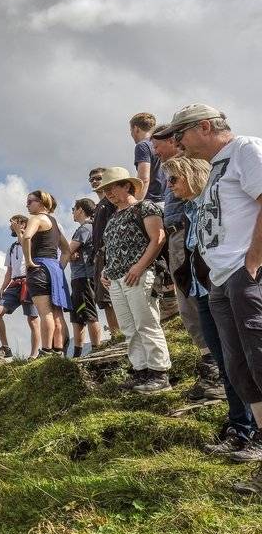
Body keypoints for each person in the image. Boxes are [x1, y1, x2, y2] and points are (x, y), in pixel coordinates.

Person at [162, 104, 262, 493]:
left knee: (259, 359)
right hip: (220, 279)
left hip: (244, 272)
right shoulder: (217, 167)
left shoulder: (246, 150)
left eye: (180, 134)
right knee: (240, 370)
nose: (177, 143)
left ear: (205, 126)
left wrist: (253, 261)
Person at [152, 126, 223, 400]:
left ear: (172, 141)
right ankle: (211, 364)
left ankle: (217, 368)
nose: (155, 152)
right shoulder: (173, 171)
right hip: (176, 238)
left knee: (199, 301)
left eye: (158, 146)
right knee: (188, 304)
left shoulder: (194, 166)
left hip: (188, 234)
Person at [98, 167, 171, 393]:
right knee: (129, 328)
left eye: (112, 187)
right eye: (105, 189)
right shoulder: (112, 219)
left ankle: (159, 374)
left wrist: (140, 266)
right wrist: (105, 272)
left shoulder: (144, 207)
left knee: (146, 323)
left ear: (127, 185)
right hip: (116, 278)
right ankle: (141, 371)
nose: (109, 193)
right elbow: (110, 250)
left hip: (139, 274)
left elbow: (158, 238)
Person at [21, 190, 72, 356]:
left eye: (30, 201)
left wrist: (28, 261)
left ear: (41, 203)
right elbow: (66, 250)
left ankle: (46, 350)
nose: (27, 205)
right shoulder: (54, 222)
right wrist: (59, 267)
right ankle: (58, 350)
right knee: (57, 313)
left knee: (45, 312)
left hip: (39, 268)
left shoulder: (35, 219)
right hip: (54, 268)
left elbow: (27, 237)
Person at [0, 215, 40, 359]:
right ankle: (5, 347)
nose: (11, 226)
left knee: (32, 319)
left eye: (14, 223)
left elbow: (26, 243)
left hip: (29, 281)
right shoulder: (12, 248)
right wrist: (2, 288)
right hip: (15, 283)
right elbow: (9, 271)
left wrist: (20, 233)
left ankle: (34, 354)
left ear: (24, 224)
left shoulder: (33, 241)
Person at [88, 167, 121, 337]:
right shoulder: (99, 205)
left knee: (112, 295)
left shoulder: (110, 203)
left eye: (98, 178)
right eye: (92, 179)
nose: (94, 181)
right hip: (99, 254)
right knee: (103, 299)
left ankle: (120, 334)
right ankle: (115, 334)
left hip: (110, 252)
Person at [69, 198, 102, 357]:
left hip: (84, 277)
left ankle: (96, 349)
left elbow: (68, 251)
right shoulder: (89, 228)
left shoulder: (85, 228)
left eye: (73, 209)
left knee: (88, 313)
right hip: (79, 277)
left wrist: (70, 254)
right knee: (77, 316)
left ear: (80, 210)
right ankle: (77, 353)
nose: (73, 213)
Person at [130, 112, 166, 204]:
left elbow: (144, 179)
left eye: (131, 130)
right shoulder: (162, 143)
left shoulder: (142, 146)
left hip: (153, 202)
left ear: (136, 128)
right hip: (167, 199)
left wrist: (136, 203)